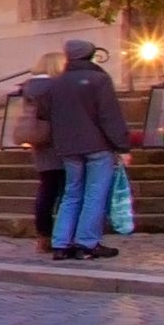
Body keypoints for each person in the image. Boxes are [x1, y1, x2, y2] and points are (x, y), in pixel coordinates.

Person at [33, 36, 135, 260]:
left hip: (67, 146)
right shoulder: (99, 79)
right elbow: (109, 116)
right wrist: (122, 146)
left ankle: (60, 242)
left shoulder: (55, 83)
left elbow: (43, 113)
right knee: (95, 194)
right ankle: (86, 243)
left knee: (71, 193)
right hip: (97, 145)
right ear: (90, 54)